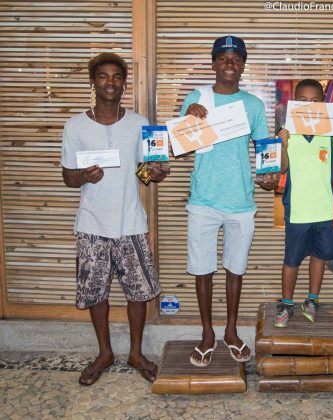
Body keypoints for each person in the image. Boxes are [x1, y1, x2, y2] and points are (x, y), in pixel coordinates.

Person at [61, 52, 168, 385]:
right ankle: (104, 352)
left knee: (137, 293)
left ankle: (136, 353)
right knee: (96, 293)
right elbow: (67, 177)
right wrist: (84, 177)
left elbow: (144, 170)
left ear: (124, 83)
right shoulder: (75, 125)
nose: (110, 82)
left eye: (117, 77)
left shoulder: (139, 123)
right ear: (93, 81)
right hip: (92, 223)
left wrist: (154, 171)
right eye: (103, 76)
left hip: (130, 221)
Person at [181, 35, 276, 367]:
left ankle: (231, 331)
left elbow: (265, 147)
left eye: (237, 58)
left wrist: (269, 176)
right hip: (203, 199)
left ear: (243, 65)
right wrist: (189, 118)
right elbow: (181, 144)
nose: (230, 63)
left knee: (235, 268)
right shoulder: (196, 98)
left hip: (241, 200)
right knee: (202, 269)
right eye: (224, 58)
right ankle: (207, 333)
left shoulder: (253, 105)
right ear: (213, 63)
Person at [273, 79, 333, 328]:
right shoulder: (290, 135)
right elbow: (282, 167)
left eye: (315, 100)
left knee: (319, 257)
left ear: (323, 104)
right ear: (293, 104)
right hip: (297, 212)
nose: (309, 105)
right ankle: (286, 303)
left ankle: (312, 300)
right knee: (291, 260)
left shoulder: (329, 136)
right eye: (303, 101)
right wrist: (283, 145)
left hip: (323, 211)